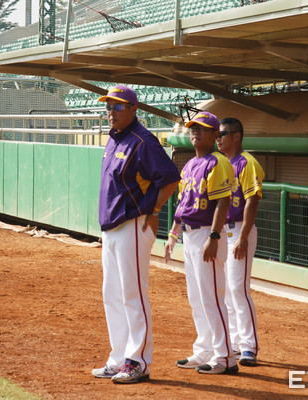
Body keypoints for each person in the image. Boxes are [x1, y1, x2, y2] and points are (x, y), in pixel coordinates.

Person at [92, 85, 181, 384]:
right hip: (112, 228)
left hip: (133, 224)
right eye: (109, 106)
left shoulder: (143, 142)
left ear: (133, 110)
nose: (111, 112)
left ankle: (138, 360)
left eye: (117, 107)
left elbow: (170, 178)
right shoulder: (114, 139)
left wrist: (154, 211)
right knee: (112, 295)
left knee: (133, 294)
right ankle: (118, 358)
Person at [164, 111, 238, 375]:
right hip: (190, 234)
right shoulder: (190, 164)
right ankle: (204, 349)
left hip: (207, 233)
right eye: (193, 128)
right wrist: (173, 234)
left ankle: (225, 357)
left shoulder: (217, 162)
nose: (195, 132)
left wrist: (214, 237)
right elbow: (183, 204)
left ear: (215, 135)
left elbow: (223, 202)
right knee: (197, 298)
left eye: (202, 129)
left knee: (212, 298)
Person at [215, 117, 265, 367]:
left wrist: (244, 236)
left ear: (237, 136)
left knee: (238, 289)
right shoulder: (221, 163)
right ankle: (235, 342)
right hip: (223, 232)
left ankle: (248, 346)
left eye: (222, 134)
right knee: (226, 291)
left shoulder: (248, 163)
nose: (218, 138)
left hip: (238, 231)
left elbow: (252, 201)